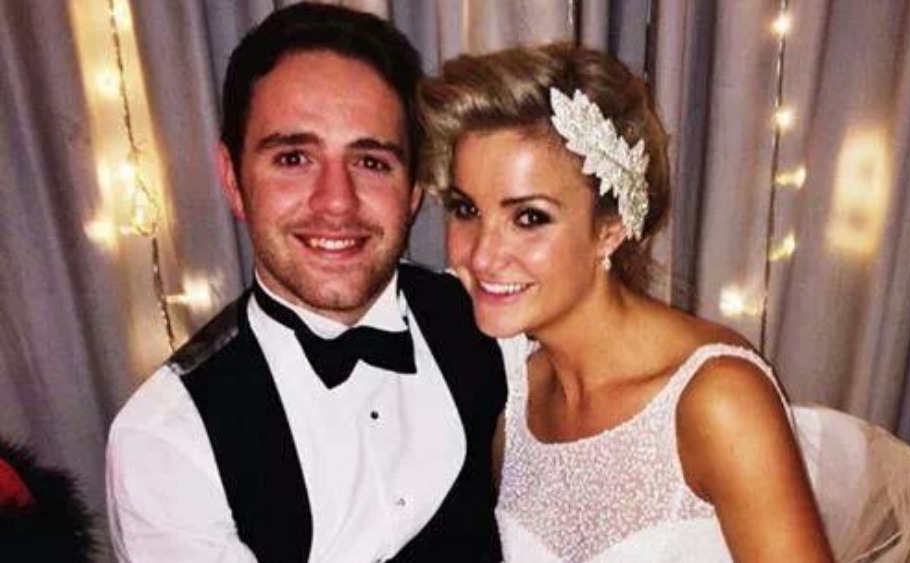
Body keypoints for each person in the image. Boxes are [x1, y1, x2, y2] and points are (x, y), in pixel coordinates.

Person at [106, 4, 505, 563]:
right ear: (234, 180)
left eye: (371, 162)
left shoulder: (491, 319)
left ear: (414, 188)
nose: (336, 202)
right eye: (294, 158)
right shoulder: (166, 440)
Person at [417, 42, 836, 562]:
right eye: (465, 210)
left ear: (610, 230)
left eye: (529, 218)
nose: (482, 254)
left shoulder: (717, 400)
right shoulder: (511, 392)